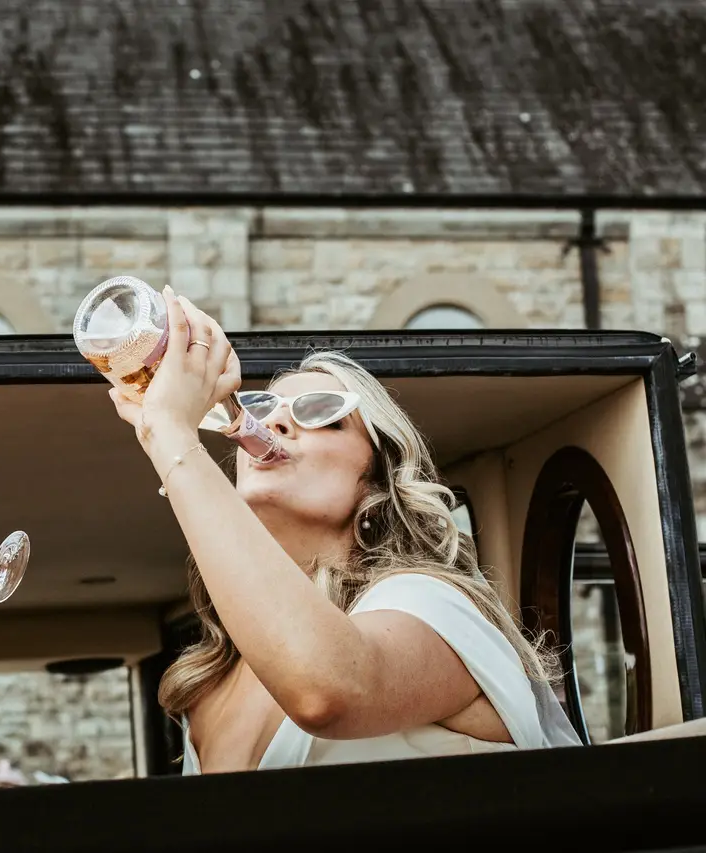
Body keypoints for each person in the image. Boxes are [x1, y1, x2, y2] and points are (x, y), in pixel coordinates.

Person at [106, 286, 581, 773]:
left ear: (377, 477)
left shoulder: (428, 604)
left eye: (323, 414)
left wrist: (171, 437)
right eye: (261, 408)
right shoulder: (207, 686)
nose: (277, 423)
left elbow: (326, 691)